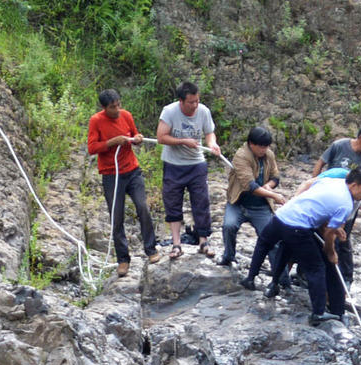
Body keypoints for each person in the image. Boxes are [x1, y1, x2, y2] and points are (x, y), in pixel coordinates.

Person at [238, 167, 361, 323]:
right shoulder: (346, 204)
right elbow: (329, 234)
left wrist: (334, 226)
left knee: (264, 243)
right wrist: (330, 252)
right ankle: (318, 313)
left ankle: (251, 278)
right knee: (316, 268)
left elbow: (317, 200)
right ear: (354, 185)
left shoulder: (331, 181)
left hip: (282, 215)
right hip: (298, 227)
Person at [87, 89, 160, 277]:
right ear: (104, 107)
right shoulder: (96, 121)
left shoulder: (126, 115)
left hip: (132, 171)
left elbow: (135, 135)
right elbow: (92, 147)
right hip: (112, 175)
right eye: (113, 107)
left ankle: (151, 249)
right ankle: (123, 260)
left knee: (142, 207)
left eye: (119, 104)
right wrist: (112, 142)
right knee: (116, 216)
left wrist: (138, 138)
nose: (117, 109)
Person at [156, 81, 221, 259]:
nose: (195, 105)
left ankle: (203, 242)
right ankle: (176, 244)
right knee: (172, 203)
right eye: (191, 102)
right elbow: (161, 137)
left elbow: (209, 133)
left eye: (197, 101)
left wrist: (212, 144)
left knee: (201, 202)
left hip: (196, 164)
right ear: (181, 101)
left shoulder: (203, 111)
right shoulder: (169, 111)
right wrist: (183, 141)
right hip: (173, 164)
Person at [219, 127, 282, 266]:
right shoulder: (241, 156)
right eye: (261, 147)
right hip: (238, 203)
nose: (264, 150)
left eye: (266, 147)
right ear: (251, 144)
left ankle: (279, 274)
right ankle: (228, 257)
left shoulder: (269, 155)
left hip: (261, 206)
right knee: (229, 226)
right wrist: (273, 195)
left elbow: (276, 176)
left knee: (271, 238)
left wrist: (269, 186)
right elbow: (250, 186)